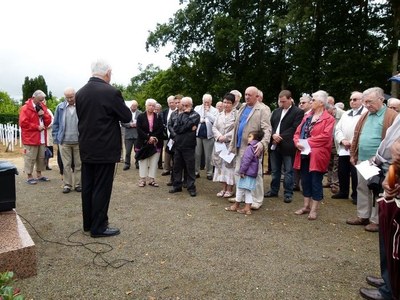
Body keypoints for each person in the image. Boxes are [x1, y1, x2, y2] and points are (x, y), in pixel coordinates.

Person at [75, 59, 131, 238]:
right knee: (102, 188)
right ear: (108, 73)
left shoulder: (80, 93)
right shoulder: (111, 91)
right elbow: (126, 116)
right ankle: (99, 227)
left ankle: (88, 224)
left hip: (86, 147)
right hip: (105, 148)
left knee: (89, 186)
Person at [346, 87, 397, 232]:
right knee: (362, 187)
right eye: (365, 102)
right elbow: (357, 135)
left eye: (370, 101)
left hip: (381, 161)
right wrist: (353, 154)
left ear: (381, 99)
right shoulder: (366, 114)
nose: (367, 105)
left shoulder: (392, 115)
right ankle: (363, 215)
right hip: (363, 159)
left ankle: (376, 220)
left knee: (378, 189)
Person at [293, 90, 335, 220]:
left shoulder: (329, 119)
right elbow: (297, 132)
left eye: (313, 100)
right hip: (304, 153)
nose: (311, 102)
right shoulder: (307, 117)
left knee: (315, 181)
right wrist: (296, 142)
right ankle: (306, 206)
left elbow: (325, 137)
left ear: (321, 103)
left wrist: (307, 142)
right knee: (305, 180)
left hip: (318, 155)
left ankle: (314, 209)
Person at [229, 86, 272, 210]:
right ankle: (241, 197)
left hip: (253, 147)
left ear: (257, 96)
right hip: (239, 145)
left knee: (255, 174)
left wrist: (262, 143)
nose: (247, 97)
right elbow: (237, 126)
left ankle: (257, 200)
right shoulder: (243, 107)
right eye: (246, 94)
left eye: (250, 95)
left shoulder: (263, 109)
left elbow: (267, 129)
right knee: (238, 171)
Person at [264, 90, 304, 203]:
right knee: (275, 170)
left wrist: (280, 136)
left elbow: (295, 128)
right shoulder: (276, 111)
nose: (282, 104)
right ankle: (273, 190)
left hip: (288, 145)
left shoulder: (298, 112)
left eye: (284, 101)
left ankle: (288, 193)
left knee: (288, 171)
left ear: (290, 99)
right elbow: (270, 125)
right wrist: (273, 135)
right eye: (280, 101)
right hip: (274, 145)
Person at [333, 91, 366, 202]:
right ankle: (343, 191)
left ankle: (356, 195)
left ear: (362, 100)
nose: (352, 101)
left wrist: (352, 142)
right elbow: (338, 129)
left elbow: (363, 130)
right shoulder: (346, 114)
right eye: (351, 99)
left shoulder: (366, 113)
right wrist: (342, 140)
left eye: (355, 99)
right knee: (342, 170)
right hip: (344, 148)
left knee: (355, 173)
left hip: (356, 148)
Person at [225, 131, 263, 215]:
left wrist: (242, 171)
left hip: (246, 173)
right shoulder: (257, 147)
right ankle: (247, 208)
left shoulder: (250, 147)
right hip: (252, 173)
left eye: (250, 136)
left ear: (255, 138)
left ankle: (236, 205)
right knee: (248, 191)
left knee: (240, 188)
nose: (247, 138)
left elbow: (246, 160)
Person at [52, 87, 82, 194]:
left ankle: (78, 184)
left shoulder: (81, 106)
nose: (69, 99)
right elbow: (55, 124)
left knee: (79, 164)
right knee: (66, 165)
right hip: (64, 141)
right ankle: (67, 184)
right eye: (67, 97)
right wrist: (56, 139)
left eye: (71, 97)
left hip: (79, 141)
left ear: (75, 95)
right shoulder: (59, 107)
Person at [19, 90, 52, 184]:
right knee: (30, 157)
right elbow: (23, 123)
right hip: (30, 138)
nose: (41, 102)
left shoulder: (42, 107)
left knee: (41, 157)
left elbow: (48, 121)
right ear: (34, 98)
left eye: (42, 100)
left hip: (41, 137)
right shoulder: (25, 108)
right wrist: (36, 127)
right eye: (39, 100)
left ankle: (39, 174)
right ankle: (29, 176)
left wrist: (44, 115)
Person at [169, 97, 200, 197]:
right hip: (178, 145)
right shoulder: (179, 115)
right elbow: (176, 128)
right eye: (183, 105)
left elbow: (187, 125)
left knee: (190, 168)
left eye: (187, 105)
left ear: (191, 105)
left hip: (189, 145)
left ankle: (191, 187)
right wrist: (187, 127)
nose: (185, 107)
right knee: (177, 167)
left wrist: (186, 117)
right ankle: (177, 185)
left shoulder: (196, 115)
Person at [212, 93, 237, 198]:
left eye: (229, 103)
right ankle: (223, 188)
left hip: (229, 144)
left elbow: (236, 130)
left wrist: (225, 137)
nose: (226, 105)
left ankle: (230, 189)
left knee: (229, 167)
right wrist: (219, 136)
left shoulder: (236, 115)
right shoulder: (219, 114)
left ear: (233, 104)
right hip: (219, 145)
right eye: (225, 102)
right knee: (220, 166)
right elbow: (214, 127)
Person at [135, 98, 164, 187]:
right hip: (143, 142)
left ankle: (152, 179)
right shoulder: (140, 116)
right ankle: (142, 179)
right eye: (149, 105)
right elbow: (139, 129)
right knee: (143, 161)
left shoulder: (158, 116)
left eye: (153, 105)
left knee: (154, 161)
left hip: (155, 143)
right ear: (146, 106)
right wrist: (148, 138)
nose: (151, 107)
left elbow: (160, 128)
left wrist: (153, 138)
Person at [194, 93, 218, 180]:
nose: (206, 104)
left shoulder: (214, 110)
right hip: (198, 135)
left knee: (208, 156)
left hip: (209, 135)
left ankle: (209, 173)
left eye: (208, 102)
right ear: (202, 101)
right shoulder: (197, 108)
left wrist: (207, 113)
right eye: (205, 102)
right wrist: (202, 120)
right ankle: (196, 172)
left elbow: (215, 121)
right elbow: (195, 118)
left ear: (211, 102)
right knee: (197, 154)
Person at [121, 100, 141, 171]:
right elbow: (122, 123)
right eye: (133, 106)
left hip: (137, 135)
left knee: (138, 151)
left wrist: (137, 124)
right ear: (130, 106)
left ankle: (138, 163)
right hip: (128, 135)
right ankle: (127, 164)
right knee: (128, 151)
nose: (134, 107)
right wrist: (130, 124)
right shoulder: (126, 112)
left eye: (135, 106)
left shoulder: (140, 113)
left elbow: (142, 123)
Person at [161, 95, 176, 176]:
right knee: (167, 152)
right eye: (169, 103)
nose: (171, 104)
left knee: (174, 154)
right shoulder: (165, 111)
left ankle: (174, 170)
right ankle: (166, 168)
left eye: (172, 102)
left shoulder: (178, 112)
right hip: (167, 136)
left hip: (176, 137)